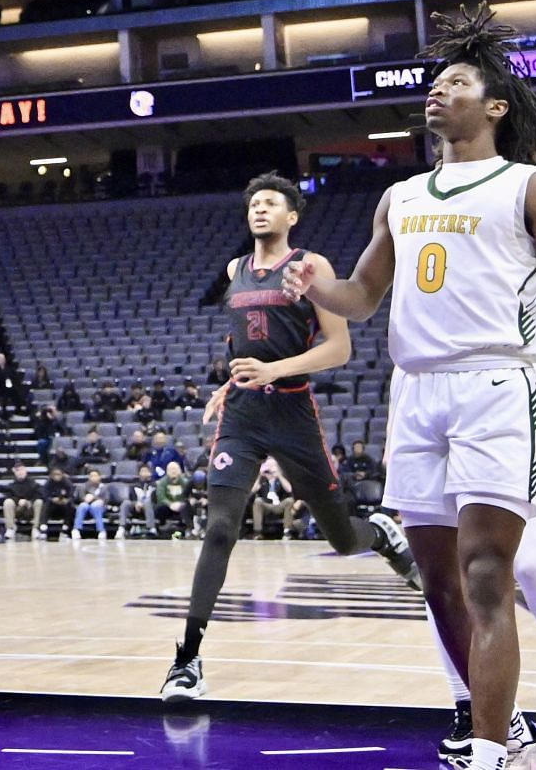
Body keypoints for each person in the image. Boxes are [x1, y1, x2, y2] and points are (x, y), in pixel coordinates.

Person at [284, 6, 536, 770]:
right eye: (435, 82)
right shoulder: (401, 196)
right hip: (416, 391)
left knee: (487, 571)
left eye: (457, 81)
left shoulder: (530, 187)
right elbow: (362, 296)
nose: (437, 91)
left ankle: (483, 750)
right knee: (437, 580)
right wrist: (321, 283)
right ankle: (509, 737)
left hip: (496, 384)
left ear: (496, 105)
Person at [160, 172, 418, 706]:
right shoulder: (234, 269)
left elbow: (339, 348)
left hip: (295, 413)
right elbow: (243, 341)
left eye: (271, 202)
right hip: (245, 414)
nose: (259, 209)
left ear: (291, 216)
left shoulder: (310, 266)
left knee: (344, 540)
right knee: (219, 530)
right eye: (254, 202)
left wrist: (276, 370)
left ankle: (383, 535)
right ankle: (187, 660)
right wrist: (229, 383)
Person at [421, 288, 536, 760]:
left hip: (515, 422)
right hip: (446, 420)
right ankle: (469, 702)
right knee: (444, 576)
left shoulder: (526, 245)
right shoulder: (440, 249)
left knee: (527, 565)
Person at [1, 461, 44, 539]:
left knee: (39, 502)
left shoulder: (33, 484)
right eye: (17, 470)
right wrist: (18, 501)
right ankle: (10, 528)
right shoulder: (11, 486)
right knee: (8, 502)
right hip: (17, 509)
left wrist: (29, 502)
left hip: (30, 508)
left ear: (25, 471)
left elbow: (39, 495)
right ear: (15, 472)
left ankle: (36, 528)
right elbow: (8, 496)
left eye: (21, 470)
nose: (20, 472)